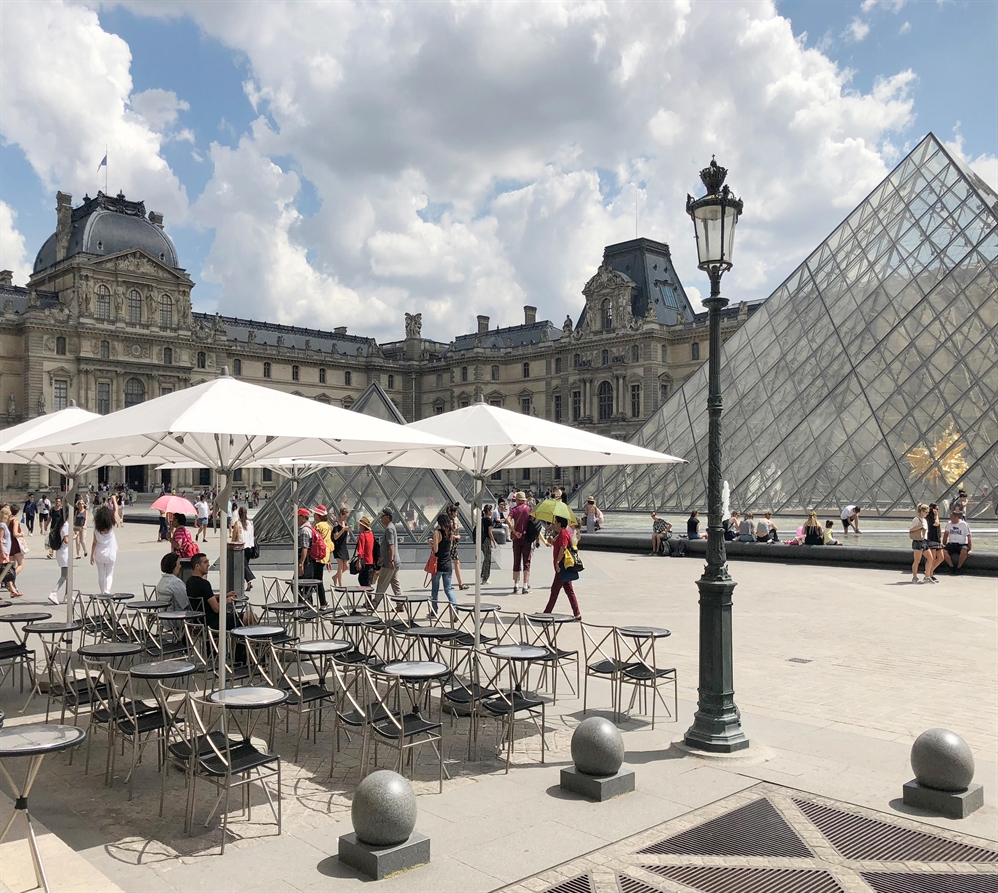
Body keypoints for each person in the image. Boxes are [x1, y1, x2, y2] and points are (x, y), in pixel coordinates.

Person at [186, 553, 242, 661]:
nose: (208, 564)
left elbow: (207, 597)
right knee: (249, 617)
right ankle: (241, 656)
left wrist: (223, 595)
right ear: (197, 566)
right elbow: (216, 608)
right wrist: (227, 601)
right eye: (205, 562)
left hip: (199, 621)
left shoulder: (190, 582)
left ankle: (238, 654)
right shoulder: (204, 584)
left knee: (242, 618)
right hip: (214, 622)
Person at [542, 512, 581, 619]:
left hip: (562, 566)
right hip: (564, 567)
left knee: (555, 590)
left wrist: (558, 563)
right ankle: (577, 613)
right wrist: (552, 541)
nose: (554, 524)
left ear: (560, 524)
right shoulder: (562, 533)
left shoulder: (563, 533)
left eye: (555, 522)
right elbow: (559, 544)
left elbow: (563, 548)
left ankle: (546, 613)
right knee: (568, 590)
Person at [429, 511, 455, 617]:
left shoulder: (437, 533)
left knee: (435, 590)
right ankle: (455, 608)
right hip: (448, 564)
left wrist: (429, 544)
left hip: (438, 565)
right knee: (448, 589)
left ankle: (434, 611)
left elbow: (436, 550)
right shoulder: (450, 533)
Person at [373, 509, 402, 606]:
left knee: (382, 582)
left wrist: (391, 560)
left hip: (389, 562)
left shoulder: (389, 529)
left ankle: (375, 602)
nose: (381, 519)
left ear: (387, 517)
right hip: (394, 560)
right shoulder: (391, 527)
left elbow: (391, 545)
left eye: (382, 516)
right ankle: (400, 603)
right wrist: (382, 556)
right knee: (395, 583)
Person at [90, 505, 118, 594]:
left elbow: (94, 543)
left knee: (101, 573)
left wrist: (91, 555)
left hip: (99, 554)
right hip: (111, 553)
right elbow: (116, 511)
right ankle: (107, 589)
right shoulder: (110, 528)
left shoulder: (96, 530)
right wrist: (114, 501)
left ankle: (102, 592)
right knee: (109, 573)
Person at [509, 491, 533, 594]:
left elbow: (507, 520)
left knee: (516, 561)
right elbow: (534, 524)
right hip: (526, 538)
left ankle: (516, 585)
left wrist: (514, 531)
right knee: (526, 562)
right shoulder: (529, 510)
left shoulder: (514, 510)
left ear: (518, 500)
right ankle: (525, 586)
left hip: (516, 538)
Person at [45, 511, 70, 604]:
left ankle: (68, 595)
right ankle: (54, 592)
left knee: (69, 575)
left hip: (60, 552)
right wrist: (74, 536)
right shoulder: (66, 525)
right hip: (64, 553)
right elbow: (67, 540)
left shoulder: (61, 525)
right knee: (64, 575)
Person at [0, 506, 24, 598]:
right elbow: (0, 539)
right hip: (4, 550)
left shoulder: (4, 524)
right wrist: (2, 552)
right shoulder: (2, 525)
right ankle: (11, 587)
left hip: (7, 549)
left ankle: (12, 589)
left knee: (6, 569)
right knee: (5, 571)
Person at [313, 505, 334, 600]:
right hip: (324, 555)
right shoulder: (328, 526)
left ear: (319, 515)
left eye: (315, 513)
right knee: (319, 578)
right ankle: (322, 601)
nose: (313, 515)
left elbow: (313, 540)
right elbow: (329, 544)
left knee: (316, 580)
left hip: (317, 556)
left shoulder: (318, 526)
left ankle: (323, 602)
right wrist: (328, 559)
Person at [447, 503, 470, 590]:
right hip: (452, 545)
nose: (456, 514)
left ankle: (452, 583)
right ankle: (460, 583)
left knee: (456, 563)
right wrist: (458, 536)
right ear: (452, 512)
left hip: (453, 545)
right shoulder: (450, 522)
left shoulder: (451, 520)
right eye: (456, 512)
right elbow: (450, 535)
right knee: (456, 563)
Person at [909, 504, 931, 583]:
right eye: (926, 512)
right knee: (917, 560)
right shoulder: (916, 519)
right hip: (918, 541)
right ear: (921, 511)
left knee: (930, 558)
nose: (927, 514)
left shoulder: (924, 520)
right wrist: (920, 527)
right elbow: (911, 530)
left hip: (924, 541)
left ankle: (927, 576)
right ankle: (914, 577)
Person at [330, 506, 351, 589]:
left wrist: (347, 532)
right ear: (340, 515)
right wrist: (343, 530)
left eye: (346, 517)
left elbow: (345, 537)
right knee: (340, 566)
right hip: (338, 546)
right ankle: (340, 585)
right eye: (344, 516)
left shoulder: (345, 524)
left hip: (343, 546)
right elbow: (335, 537)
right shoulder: (336, 524)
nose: (345, 518)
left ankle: (335, 577)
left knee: (346, 566)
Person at [356, 516, 376, 588]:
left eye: (360, 525)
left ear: (363, 526)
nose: (359, 526)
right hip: (370, 560)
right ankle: (368, 596)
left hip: (364, 560)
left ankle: (368, 597)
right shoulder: (371, 534)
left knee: (362, 579)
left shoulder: (362, 535)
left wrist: (359, 561)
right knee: (367, 579)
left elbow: (361, 549)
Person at [480, 504, 497, 584]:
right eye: (491, 510)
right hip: (486, 540)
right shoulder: (489, 521)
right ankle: (485, 578)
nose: (492, 512)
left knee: (485, 558)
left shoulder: (482, 519)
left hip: (481, 540)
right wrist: (494, 541)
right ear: (488, 511)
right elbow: (490, 533)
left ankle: (482, 575)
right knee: (488, 559)